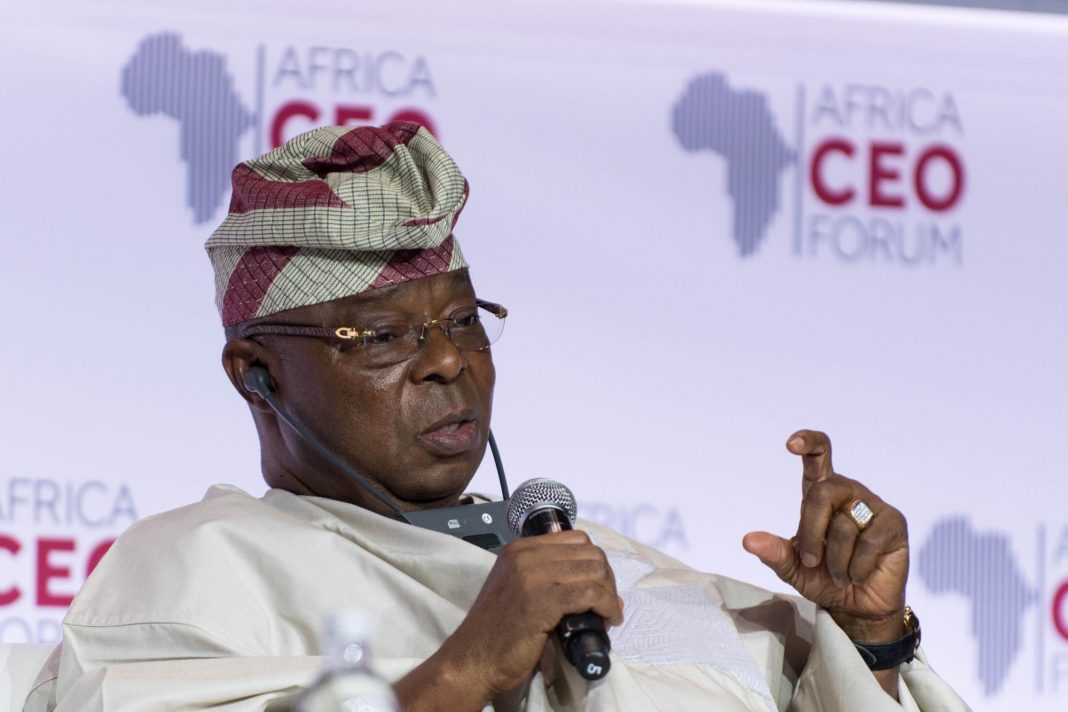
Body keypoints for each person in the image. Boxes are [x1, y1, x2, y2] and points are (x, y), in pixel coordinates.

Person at [24, 123, 970, 711]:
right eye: (381, 336)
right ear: (257, 375)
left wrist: (867, 642)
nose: (448, 361)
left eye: (464, 322)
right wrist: (465, 669)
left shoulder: (599, 567)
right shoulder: (197, 569)